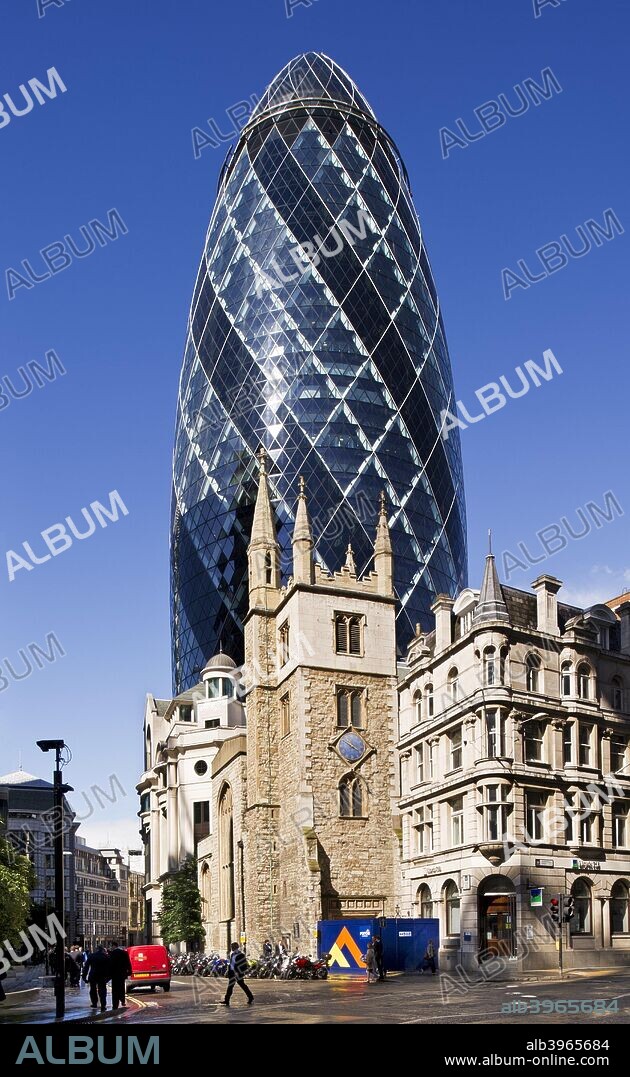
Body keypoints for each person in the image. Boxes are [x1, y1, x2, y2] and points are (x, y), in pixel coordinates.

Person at [220, 942, 254, 1007]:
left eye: (232, 947)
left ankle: (250, 997)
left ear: (235, 947)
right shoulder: (232, 954)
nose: (231, 948)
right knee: (230, 986)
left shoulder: (241, 955)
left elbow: (243, 965)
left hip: (238, 973)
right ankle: (226, 1000)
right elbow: (231, 963)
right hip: (232, 973)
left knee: (243, 986)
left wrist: (239, 972)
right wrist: (228, 970)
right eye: (231, 947)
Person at [82, 945, 112, 1011]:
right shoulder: (106, 957)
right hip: (102, 976)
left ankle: (94, 1003)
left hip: (93, 975)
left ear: (97, 949)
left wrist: (84, 977)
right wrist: (109, 977)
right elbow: (110, 968)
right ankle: (103, 1005)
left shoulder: (91, 956)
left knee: (93, 990)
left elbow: (86, 967)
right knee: (102, 991)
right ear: (102, 950)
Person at [109, 943, 132, 1010]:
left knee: (115, 990)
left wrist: (109, 974)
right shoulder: (124, 953)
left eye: (112, 946)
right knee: (121, 987)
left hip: (114, 975)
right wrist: (129, 971)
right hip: (122, 974)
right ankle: (122, 1000)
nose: (111, 947)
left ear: (114, 946)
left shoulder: (112, 953)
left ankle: (115, 1005)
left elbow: (110, 965)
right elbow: (128, 962)